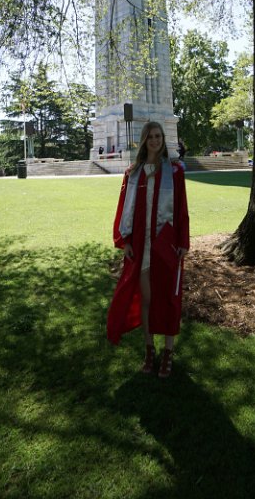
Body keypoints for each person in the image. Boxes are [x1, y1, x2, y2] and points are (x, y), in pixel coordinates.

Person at [107, 121, 190, 378]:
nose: (155, 140)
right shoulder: (133, 173)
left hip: (166, 244)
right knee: (147, 299)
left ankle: (168, 352)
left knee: (168, 299)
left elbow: (181, 209)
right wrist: (126, 242)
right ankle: (149, 349)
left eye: (158, 136)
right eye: (151, 136)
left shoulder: (174, 172)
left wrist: (183, 243)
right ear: (144, 140)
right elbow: (124, 209)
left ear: (163, 139)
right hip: (142, 246)